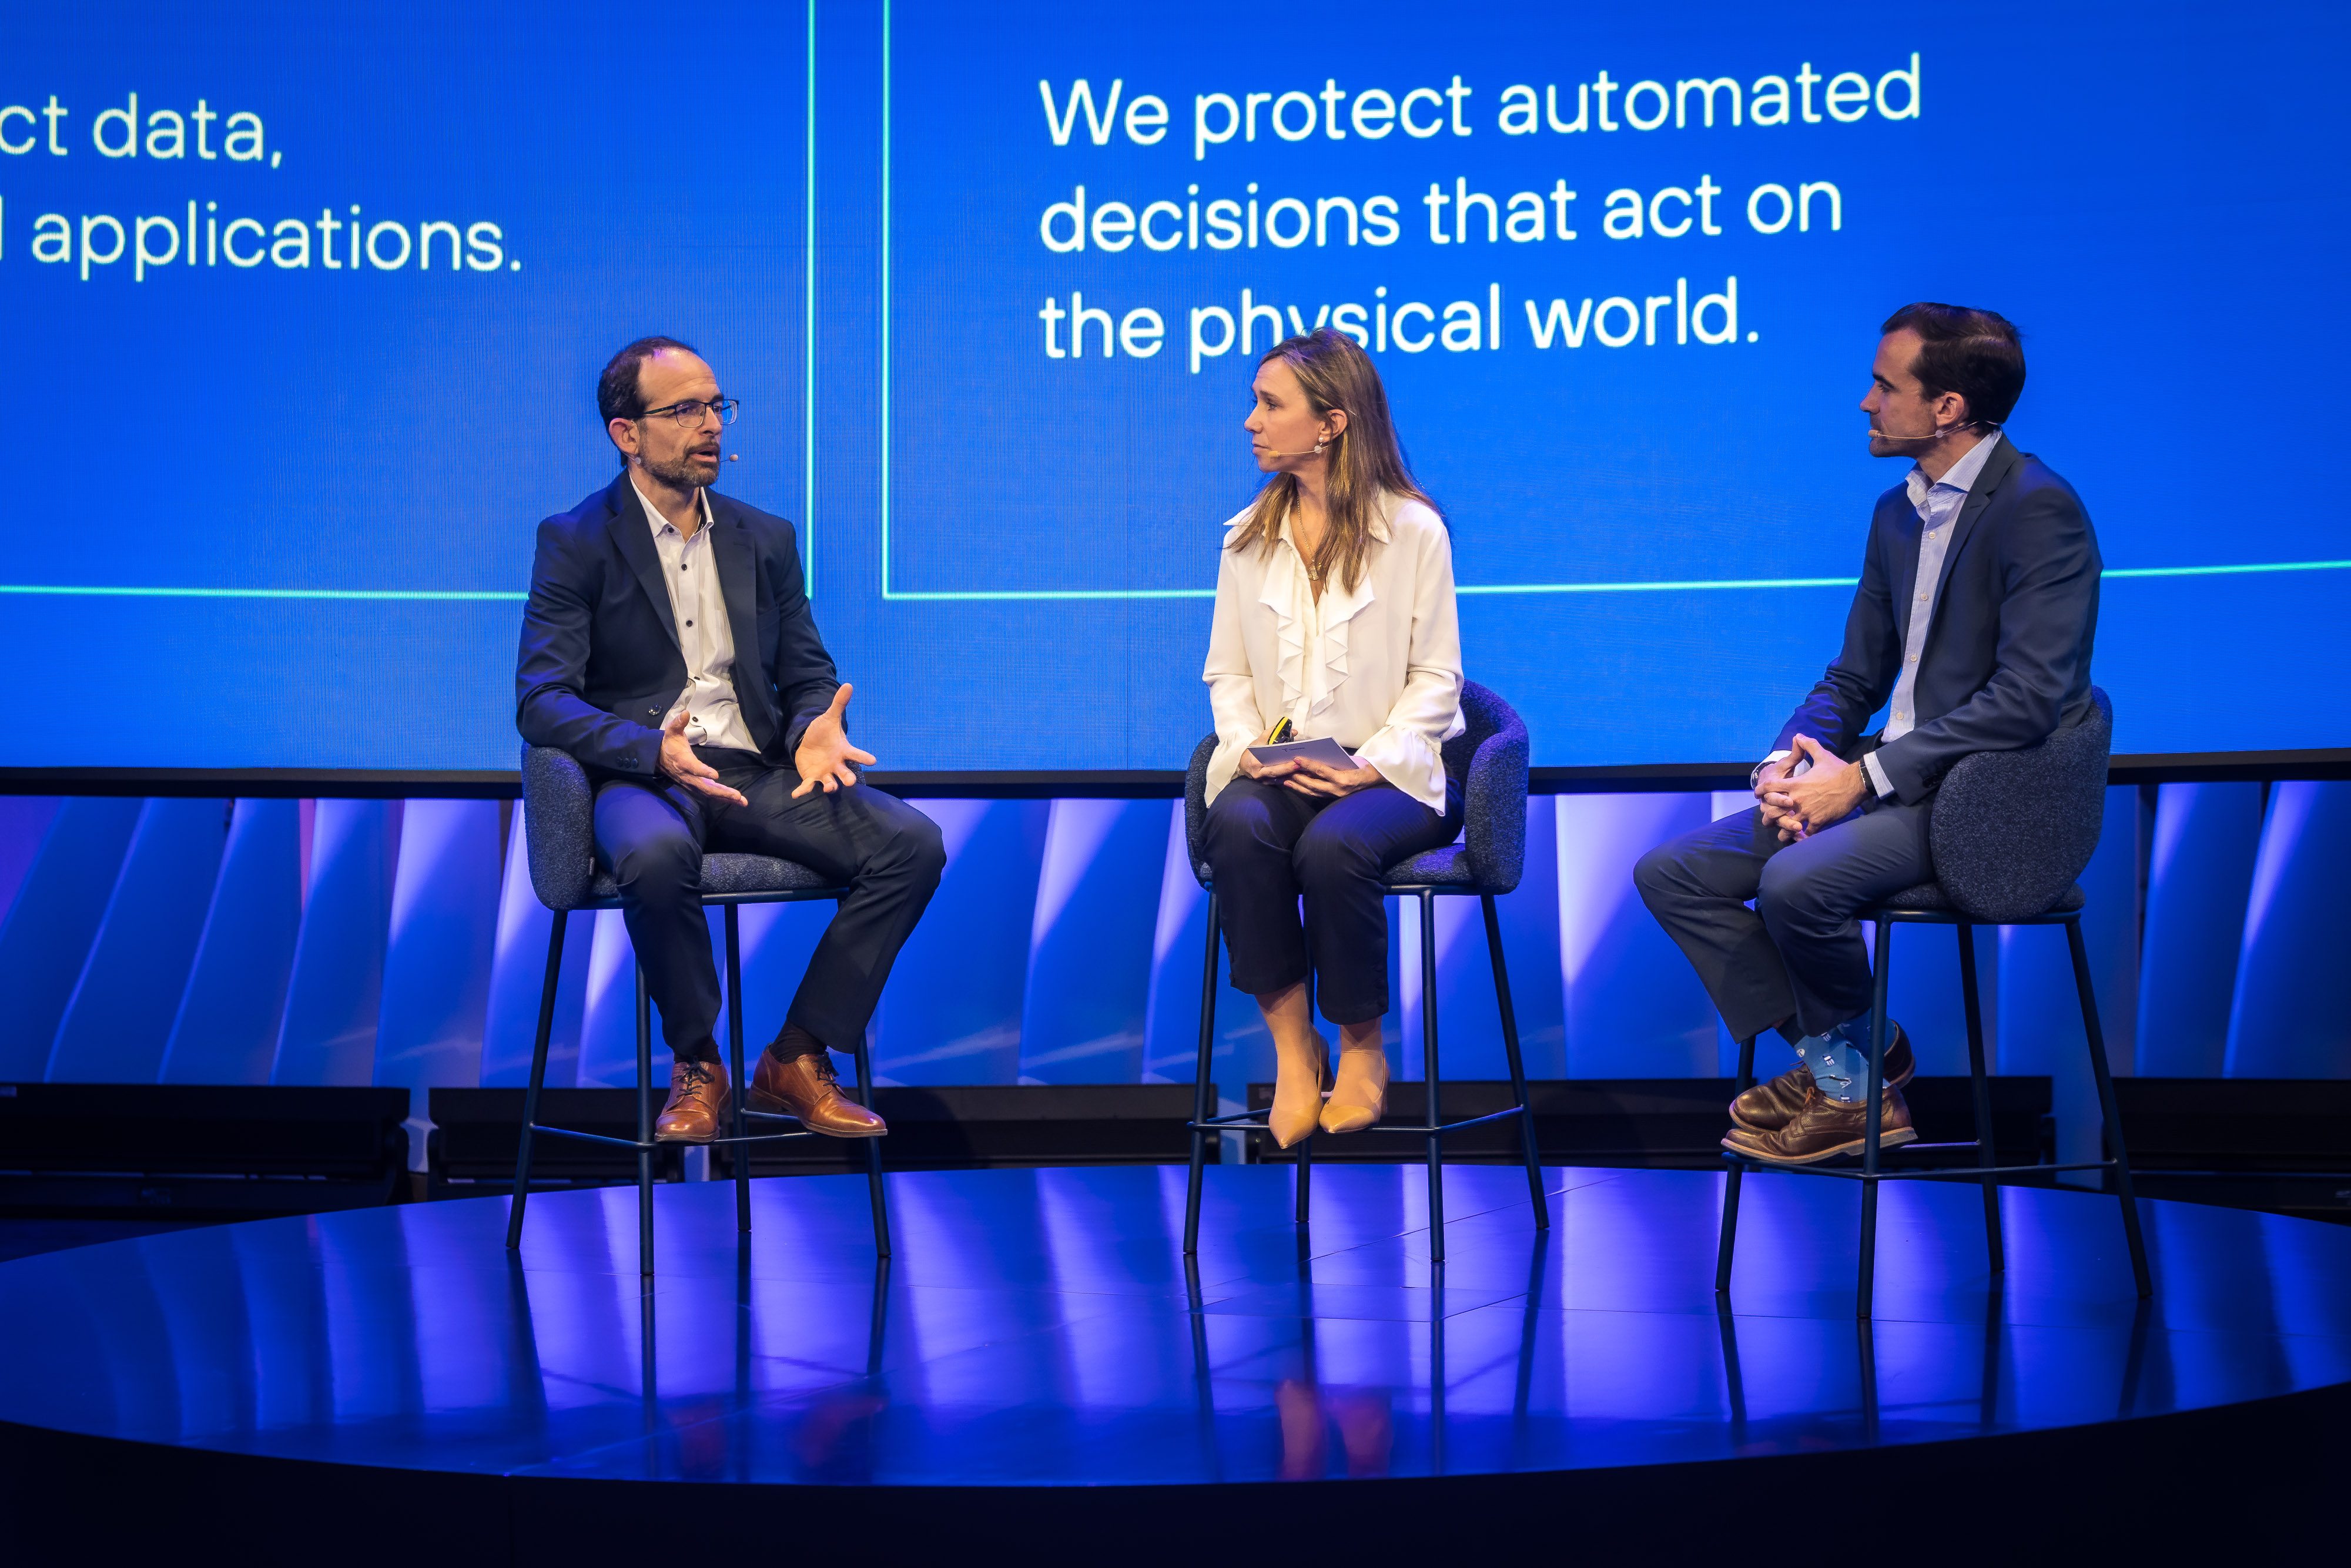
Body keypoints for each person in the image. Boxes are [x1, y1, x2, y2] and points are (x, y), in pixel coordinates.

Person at [1635, 303, 2100, 1164]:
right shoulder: (1899, 512)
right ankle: (1857, 1062)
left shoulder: (2039, 509)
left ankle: (1853, 1095)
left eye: (1887, 387)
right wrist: (1793, 758)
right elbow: (1854, 677)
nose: (1866, 403)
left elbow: (2029, 699)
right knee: (1676, 873)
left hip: (1987, 800)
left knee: (1798, 884)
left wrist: (1864, 777)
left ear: (1950, 406)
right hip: (1897, 784)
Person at [516, 337, 945, 1143]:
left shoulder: (765, 538)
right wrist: (647, 751)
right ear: (627, 433)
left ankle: (798, 1055)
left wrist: (817, 727)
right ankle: (698, 1064)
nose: (710, 425)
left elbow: (808, 671)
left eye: (717, 406)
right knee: (653, 856)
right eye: (684, 410)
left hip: (753, 768)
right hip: (642, 777)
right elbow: (541, 701)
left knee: (911, 844)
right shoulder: (575, 540)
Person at [1201, 329, 1468, 1148]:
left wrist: (1367, 767)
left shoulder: (1415, 531)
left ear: (1332, 424)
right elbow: (1229, 675)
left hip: (1390, 778)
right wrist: (1249, 748)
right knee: (1240, 827)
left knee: (1333, 851)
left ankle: (1361, 1048)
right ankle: (1291, 1051)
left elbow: (1439, 681)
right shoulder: (1245, 537)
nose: (1251, 421)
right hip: (1281, 772)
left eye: (1270, 404)